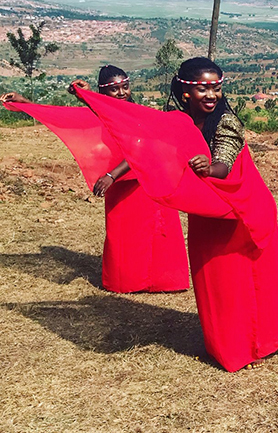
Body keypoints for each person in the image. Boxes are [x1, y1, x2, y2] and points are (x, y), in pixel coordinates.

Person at [77, 57, 278, 371]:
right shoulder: (177, 121)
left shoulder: (226, 121)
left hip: (241, 209)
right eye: (203, 89)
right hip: (209, 211)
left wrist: (211, 169)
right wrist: (84, 96)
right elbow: (136, 129)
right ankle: (227, 344)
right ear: (185, 94)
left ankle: (257, 342)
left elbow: (225, 160)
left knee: (248, 280)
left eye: (216, 88)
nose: (212, 95)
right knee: (215, 279)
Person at [1, 65, 189, 293]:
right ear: (103, 92)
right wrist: (24, 103)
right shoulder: (103, 112)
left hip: (145, 181)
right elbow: (65, 117)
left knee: (156, 232)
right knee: (123, 233)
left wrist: (111, 175)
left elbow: (142, 147)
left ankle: (162, 281)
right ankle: (127, 281)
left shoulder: (137, 113)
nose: (121, 93)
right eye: (114, 89)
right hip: (122, 184)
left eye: (125, 87)